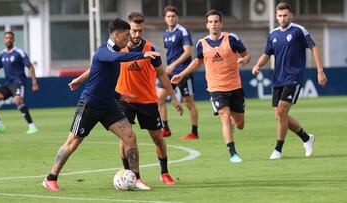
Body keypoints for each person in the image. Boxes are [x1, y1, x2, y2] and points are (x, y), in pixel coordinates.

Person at [41, 18, 160, 191]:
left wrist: (120, 95)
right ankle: (50, 178)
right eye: (126, 35)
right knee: (73, 142)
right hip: (89, 104)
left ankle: (136, 178)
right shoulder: (103, 51)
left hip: (108, 105)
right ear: (117, 34)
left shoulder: (117, 52)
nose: (129, 39)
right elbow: (117, 57)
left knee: (130, 136)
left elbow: (104, 82)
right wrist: (142, 54)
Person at [69, 13, 183, 189]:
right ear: (126, 31)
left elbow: (161, 74)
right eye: (133, 31)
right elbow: (97, 67)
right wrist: (80, 79)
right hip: (123, 100)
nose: (136, 35)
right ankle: (129, 175)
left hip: (147, 100)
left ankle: (164, 172)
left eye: (139, 31)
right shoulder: (117, 48)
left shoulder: (150, 48)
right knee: (126, 135)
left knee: (157, 137)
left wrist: (173, 98)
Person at [171, 10, 251, 163]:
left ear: (221, 23)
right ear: (207, 25)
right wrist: (181, 74)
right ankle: (233, 153)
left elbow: (247, 55)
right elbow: (197, 61)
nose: (213, 24)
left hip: (235, 87)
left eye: (216, 21)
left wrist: (244, 61)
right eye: (211, 22)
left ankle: (233, 129)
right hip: (216, 89)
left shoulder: (232, 39)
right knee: (225, 117)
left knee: (239, 124)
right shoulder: (202, 43)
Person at [252, 2, 328, 160]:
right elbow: (267, 53)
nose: (282, 18)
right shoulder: (273, 34)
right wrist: (258, 64)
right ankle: (307, 138)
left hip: (293, 77)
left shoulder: (298, 30)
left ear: (291, 15)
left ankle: (278, 150)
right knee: (280, 116)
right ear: (276, 16)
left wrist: (320, 71)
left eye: (285, 15)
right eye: (279, 15)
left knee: (281, 112)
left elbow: (314, 47)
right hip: (277, 79)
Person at [157, 5, 199, 140]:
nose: (171, 18)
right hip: (169, 73)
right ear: (165, 18)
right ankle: (166, 128)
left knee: (188, 103)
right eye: (168, 16)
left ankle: (194, 132)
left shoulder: (183, 32)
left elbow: (188, 52)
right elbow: (170, 53)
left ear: (177, 17)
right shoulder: (166, 33)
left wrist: (173, 64)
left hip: (183, 72)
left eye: (173, 16)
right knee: (159, 99)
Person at [0, 31, 39, 135]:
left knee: (18, 101)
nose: (8, 40)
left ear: (13, 40)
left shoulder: (19, 52)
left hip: (19, 82)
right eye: (6, 38)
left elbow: (30, 66)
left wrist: (34, 82)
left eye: (10, 38)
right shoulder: (2, 54)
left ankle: (32, 127)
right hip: (9, 84)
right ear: (4, 40)